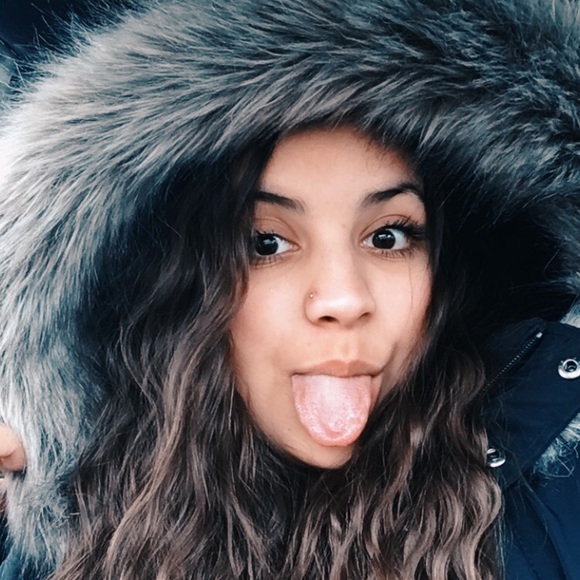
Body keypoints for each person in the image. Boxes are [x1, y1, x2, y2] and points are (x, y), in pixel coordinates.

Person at [0, 0, 579, 578]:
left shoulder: (558, 492)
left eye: (387, 236)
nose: (344, 300)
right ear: (170, 284)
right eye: (267, 243)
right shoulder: (70, 544)